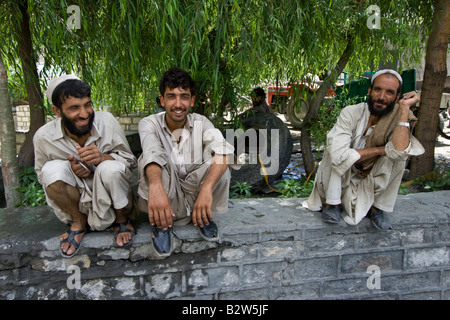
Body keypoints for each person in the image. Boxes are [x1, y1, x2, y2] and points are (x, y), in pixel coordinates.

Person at [303, 69, 425, 230]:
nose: (381, 97)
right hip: (339, 179)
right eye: (377, 90)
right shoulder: (351, 113)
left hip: (367, 179)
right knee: (333, 150)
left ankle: (377, 207)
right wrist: (381, 150)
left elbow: (399, 151)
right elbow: (338, 155)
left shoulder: (397, 116)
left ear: (397, 97)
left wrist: (403, 109)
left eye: (389, 92)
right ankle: (332, 204)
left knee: (400, 155)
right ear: (370, 91)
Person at [34, 74, 138, 258]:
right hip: (77, 199)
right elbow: (43, 178)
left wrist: (102, 158)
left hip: (113, 196)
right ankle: (78, 222)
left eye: (87, 105)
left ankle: (121, 220)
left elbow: (130, 162)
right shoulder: (43, 137)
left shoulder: (106, 121)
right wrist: (71, 169)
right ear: (57, 111)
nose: (84, 114)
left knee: (110, 168)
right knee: (51, 171)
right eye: (74, 108)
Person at [137, 67, 235, 258]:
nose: (178, 103)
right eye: (171, 96)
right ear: (162, 100)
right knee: (151, 164)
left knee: (220, 163)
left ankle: (203, 217)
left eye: (184, 96)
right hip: (166, 193)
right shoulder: (148, 123)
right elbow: (152, 152)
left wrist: (207, 189)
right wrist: (155, 186)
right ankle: (162, 225)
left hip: (194, 192)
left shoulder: (202, 122)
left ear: (192, 101)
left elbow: (223, 150)